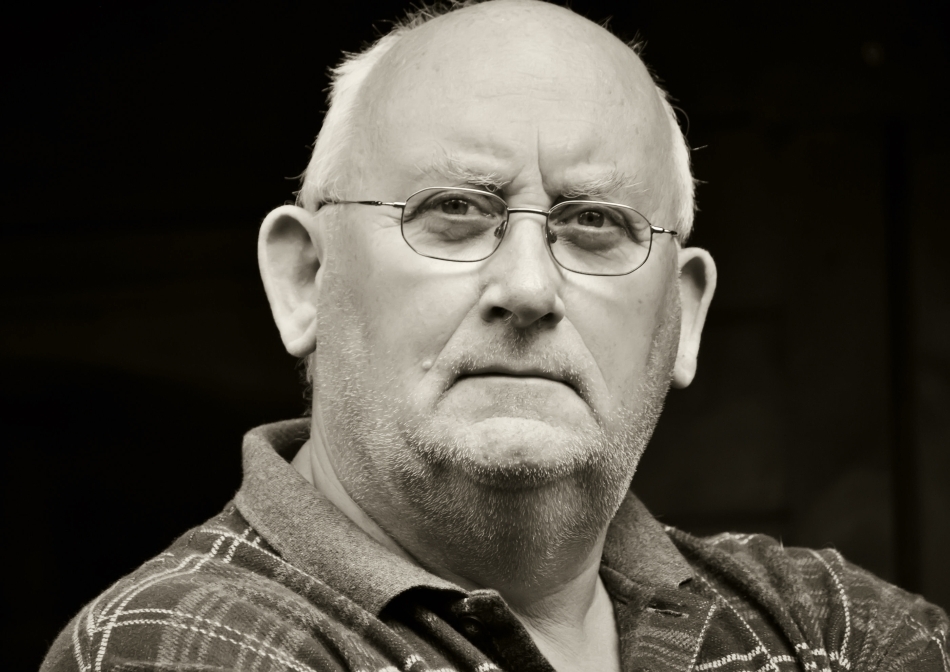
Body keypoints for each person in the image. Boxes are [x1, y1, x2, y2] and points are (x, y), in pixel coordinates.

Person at [42, 1, 948, 670]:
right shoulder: (182, 641)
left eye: (594, 224)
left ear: (683, 318)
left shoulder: (828, 629)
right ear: (305, 280)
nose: (527, 287)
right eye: (453, 211)